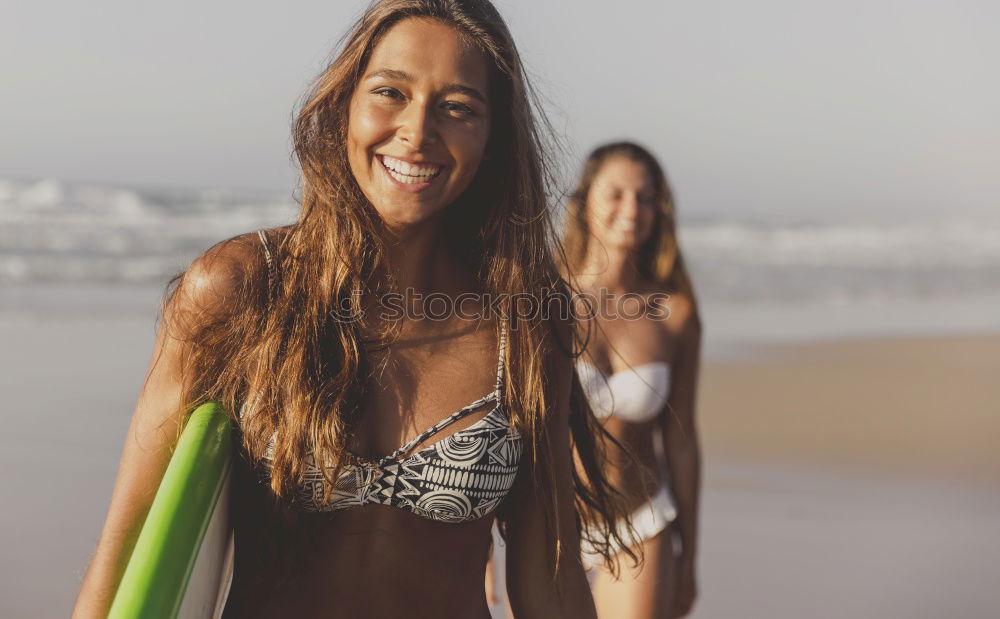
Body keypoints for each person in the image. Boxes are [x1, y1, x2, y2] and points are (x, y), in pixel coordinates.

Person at [71, 2, 636, 617]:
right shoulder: (239, 291)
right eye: (390, 92)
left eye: (457, 107)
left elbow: (547, 578)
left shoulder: (524, 323)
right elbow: (131, 545)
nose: (418, 132)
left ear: (493, 135)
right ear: (345, 104)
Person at [563, 142, 703, 619]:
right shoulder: (541, 302)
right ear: (583, 204)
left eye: (646, 197)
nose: (632, 210)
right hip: (549, 531)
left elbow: (682, 443)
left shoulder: (674, 314)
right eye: (616, 194)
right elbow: (506, 425)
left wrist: (690, 558)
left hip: (641, 521)